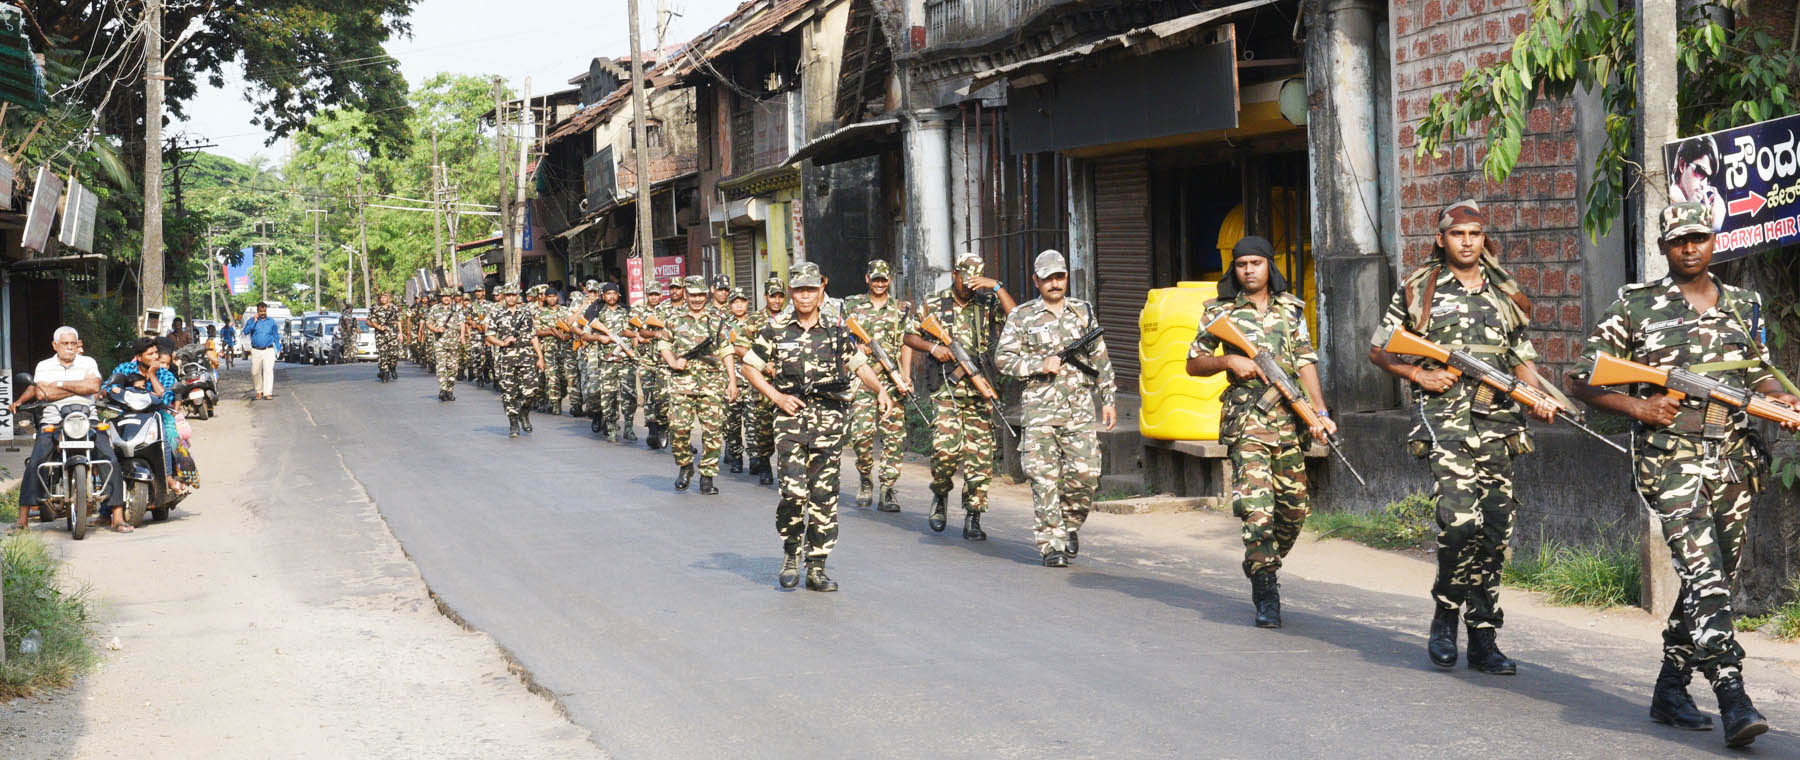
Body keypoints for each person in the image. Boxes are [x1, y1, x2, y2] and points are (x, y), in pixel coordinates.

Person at [1569, 202, 1799, 748]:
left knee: (1711, 579)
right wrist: (1640, 409)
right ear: (1664, 247)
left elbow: (1758, 374)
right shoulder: (1636, 305)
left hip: (1735, 457)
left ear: (1713, 241)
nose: (1689, 248)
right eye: (1678, 240)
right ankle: (1733, 696)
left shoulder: (1744, 305)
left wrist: (1780, 401)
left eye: (1698, 238)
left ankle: (1671, 687)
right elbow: (1584, 380)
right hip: (1669, 458)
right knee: (1705, 576)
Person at [1367, 199, 1558, 675]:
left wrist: (1540, 396)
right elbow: (1379, 349)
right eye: (1458, 235)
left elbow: (1520, 357)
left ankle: (1483, 636)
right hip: (1445, 422)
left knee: (1494, 530)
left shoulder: (1502, 291)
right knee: (1459, 524)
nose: (1467, 242)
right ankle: (1444, 614)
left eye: (1475, 234)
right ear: (1441, 239)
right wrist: (1418, 374)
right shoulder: (1420, 288)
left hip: (1498, 424)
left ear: (1483, 238)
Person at [1185, 238, 1330, 624]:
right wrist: (1229, 359)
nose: (1249, 270)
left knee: (1294, 510)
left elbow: (1305, 361)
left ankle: (1261, 560)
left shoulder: (1291, 309)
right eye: (1242, 264)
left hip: (1288, 421)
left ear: (1270, 266)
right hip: (1247, 418)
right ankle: (1266, 589)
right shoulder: (1220, 312)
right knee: (1257, 510)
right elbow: (1193, 363)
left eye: (1256, 263)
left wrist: (1320, 411)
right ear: (1234, 269)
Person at [739, 262, 892, 591]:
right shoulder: (776, 329)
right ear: (791, 293)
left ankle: (817, 565)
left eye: (811, 289)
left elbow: (859, 365)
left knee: (824, 496)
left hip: (829, 423)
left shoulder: (836, 330)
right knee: (793, 494)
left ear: (821, 290)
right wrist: (776, 396)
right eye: (799, 290)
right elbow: (749, 367)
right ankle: (792, 553)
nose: (805, 296)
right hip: (791, 422)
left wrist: (880, 390)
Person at [904, 252, 1017, 540]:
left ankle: (973, 516)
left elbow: (1016, 320)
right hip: (946, 388)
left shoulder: (987, 301)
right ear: (954, 274)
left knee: (980, 459)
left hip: (979, 387)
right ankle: (941, 492)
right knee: (945, 452)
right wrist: (933, 349)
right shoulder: (935, 302)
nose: (969, 284)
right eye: (964, 277)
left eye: (975, 279)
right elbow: (908, 335)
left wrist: (997, 286)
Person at [10, 327, 128, 533]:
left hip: (87, 420)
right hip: (54, 421)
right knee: (35, 463)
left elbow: (93, 386)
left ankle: (117, 517)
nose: (70, 347)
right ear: (55, 345)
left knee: (110, 460)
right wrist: (74, 386)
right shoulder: (44, 365)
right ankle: (22, 521)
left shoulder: (88, 362)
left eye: (73, 343)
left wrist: (58, 385)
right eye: (65, 344)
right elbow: (41, 392)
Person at [844, 259, 916, 510]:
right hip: (863, 380)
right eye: (875, 279)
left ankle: (887, 488)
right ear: (867, 279)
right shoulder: (852, 306)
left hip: (892, 379)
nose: (879, 283)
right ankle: (865, 479)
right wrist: (856, 345)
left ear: (889, 280)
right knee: (861, 435)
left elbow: (907, 342)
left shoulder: (900, 309)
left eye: (883, 279)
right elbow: (841, 336)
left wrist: (906, 375)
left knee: (893, 438)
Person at [658, 275, 739, 495]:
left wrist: (732, 381)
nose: (697, 299)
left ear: (707, 294)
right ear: (686, 294)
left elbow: (727, 350)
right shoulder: (674, 318)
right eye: (693, 295)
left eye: (701, 295)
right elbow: (664, 343)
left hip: (712, 383)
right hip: (682, 382)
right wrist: (673, 362)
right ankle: (685, 465)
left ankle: (707, 476)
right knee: (678, 428)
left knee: (713, 431)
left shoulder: (717, 320)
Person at [486, 283, 545, 437]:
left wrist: (540, 357)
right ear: (504, 296)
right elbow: (489, 336)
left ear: (518, 296)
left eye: (514, 295)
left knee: (531, 391)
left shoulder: (525, 314)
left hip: (526, 356)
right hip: (507, 358)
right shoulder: (497, 314)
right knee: (508, 392)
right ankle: (513, 422)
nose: (511, 298)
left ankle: (524, 412)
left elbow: (533, 336)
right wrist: (502, 343)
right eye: (508, 295)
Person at [581, 281, 636, 442]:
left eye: (614, 293)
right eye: (608, 294)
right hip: (607, 362)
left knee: (629, 395)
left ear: (618, 294)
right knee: (608, 396)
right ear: (603, 296)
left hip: (626, 361)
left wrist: (632, 337)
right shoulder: (597, 313)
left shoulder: (627, 311)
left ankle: (629, 428)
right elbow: (584, 335)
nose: (611, 296)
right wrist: (600, 337)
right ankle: (611, 427)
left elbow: (634, 330)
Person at [634, 280, 673, 450]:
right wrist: (653, 333)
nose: (654, 297)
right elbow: (636, 330)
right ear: (647, 295)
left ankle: (664, 424)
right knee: (649, 394)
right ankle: (652, 428)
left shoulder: (667, 310)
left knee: (663, 396)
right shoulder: (639, 310)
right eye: (651, 294)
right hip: (646, 359)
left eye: (657, 294)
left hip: (664, 360)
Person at [721, 288, 756, 472]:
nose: (739, 305)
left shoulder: (755, 323)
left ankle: (755, 458)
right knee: (732, 423)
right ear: (730, 304)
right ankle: (736, 457)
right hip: (732, 379)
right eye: (735, 302)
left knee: (753, 423)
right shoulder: (724, 325)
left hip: (752, 381)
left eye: (742, 301)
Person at [532, 285, 575, 415]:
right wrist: (551, 332)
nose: (552, 299)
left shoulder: (564, 311)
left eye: (554, 296)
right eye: (549, 296)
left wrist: (567, 334)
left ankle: (559, 398)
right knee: (552, 377)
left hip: (565, 349)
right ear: (545, 298)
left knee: (564, 378)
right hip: (548, 350)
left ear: (557, 297)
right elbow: (537, 331)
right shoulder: (539, 313)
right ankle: (555, 404)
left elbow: (572, 327)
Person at [425, 290, 466, 401]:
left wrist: (462, 336)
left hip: (454, 342)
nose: (446, 298)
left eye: (448, 296)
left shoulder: (457, 309)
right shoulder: (435, 309)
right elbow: (428, 323)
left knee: (453, 368)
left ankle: (450, 389)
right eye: (444, 296)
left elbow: (462, 323)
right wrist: (436, 329)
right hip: (440, 342)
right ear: (441, 298)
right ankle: (443, 389)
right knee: (441, 366)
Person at [244, 302, 281, 400]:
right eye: (261, 311)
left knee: (268, 371)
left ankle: (268, 393)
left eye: (264, 311)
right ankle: (259, 391)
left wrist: (278, 348)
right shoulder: (252, 321)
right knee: (255, 372)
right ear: (257, 311)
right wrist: (254, 322)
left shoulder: (271, 322)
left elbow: (276, 335)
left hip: (269, 349)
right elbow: (246, 331)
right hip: (256, 350)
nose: (263, 313)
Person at [369, 292, 403, 382]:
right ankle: (385, 372)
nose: (383, 299)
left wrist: (400, 333)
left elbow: (398, 320)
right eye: (381, 297)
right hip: (380, 334)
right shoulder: (375, 308)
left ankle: (392, 367)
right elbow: (370, 321)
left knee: (394, 354)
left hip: (392, 333)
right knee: (382, 354)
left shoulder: (394, 308)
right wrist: (378, 327)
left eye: (385, 297)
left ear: (388, 298)